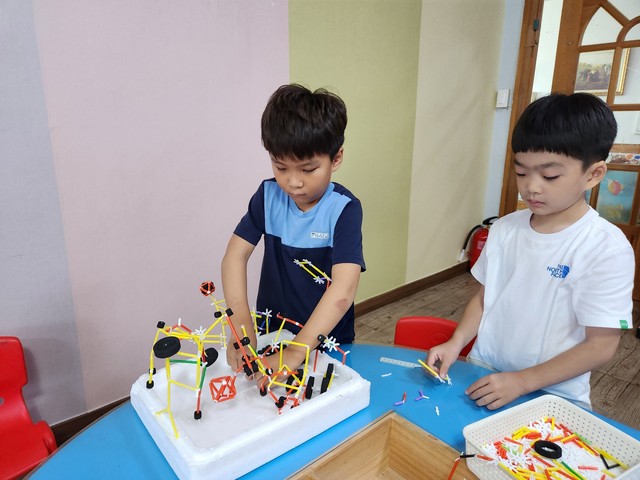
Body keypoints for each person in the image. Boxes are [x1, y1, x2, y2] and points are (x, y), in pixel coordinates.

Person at [426, 92, 634, 410]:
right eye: (522, 172)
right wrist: (456, 342)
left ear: (593, 174)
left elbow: (601, 346)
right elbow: (484, 298)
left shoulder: (605, 247)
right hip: (485, 375)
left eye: (549, 175)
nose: (531, 187)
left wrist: (522, 381)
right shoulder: (505, 229)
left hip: (554, 396)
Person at [221, 84, 365, 377]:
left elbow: (344, 288)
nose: (293, 182)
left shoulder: (344, 209)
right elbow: (235, 256)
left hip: (325, 338)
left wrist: (298, 350)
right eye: (281, 167)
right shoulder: (267, 196)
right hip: (273, 332)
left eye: (308, 170)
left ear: (336, 158)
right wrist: (241, 326)